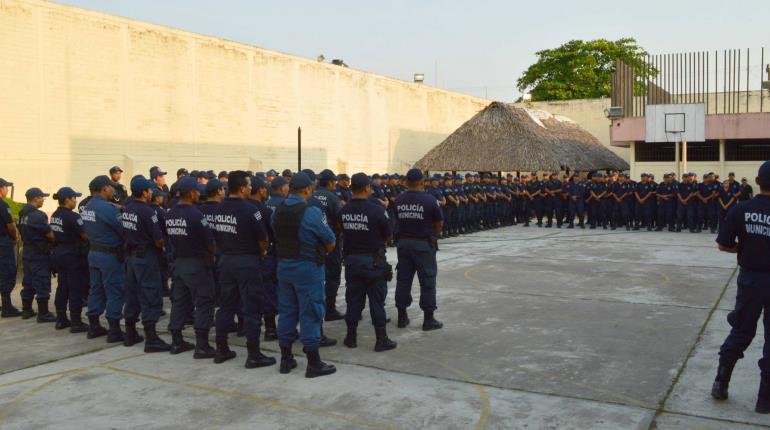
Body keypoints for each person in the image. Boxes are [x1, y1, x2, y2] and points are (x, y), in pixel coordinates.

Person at [712, 161, 770, 414]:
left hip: (750, 280)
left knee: (741, 331)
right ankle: (764, 400)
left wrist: (743, 249)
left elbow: (723, 245)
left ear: (757, 182)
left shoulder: (741, 209)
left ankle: (720, 383)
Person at [273, 172, 337, 377]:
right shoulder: (312, 212)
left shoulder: (278, 210)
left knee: (287, 312)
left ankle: (286, 358)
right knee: (310, 312)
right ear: (308, 189)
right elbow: (330, 241)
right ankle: (313, 363)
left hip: (284, 267)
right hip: (307, 268)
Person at [212, 171, 274, 368]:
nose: (250, 188)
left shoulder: (218, 209)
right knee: (252, 307)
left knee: (226, 306)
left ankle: (221, 349)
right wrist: (262, 252)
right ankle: (253, 354)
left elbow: (215, 237)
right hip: (247, 262)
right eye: (248, 186)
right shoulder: (250, 210)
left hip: (226, 261)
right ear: (241, 188)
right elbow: (263, 239)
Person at [340, 173, 397, 352]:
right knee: (376, 302)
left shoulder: (344, 210)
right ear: (366, 188)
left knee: (353, 301)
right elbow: (388, 235)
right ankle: (381, 339)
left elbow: (339, 229)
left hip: (352, 261)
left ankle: (351, 337)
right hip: (373, 262)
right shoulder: (376, 210)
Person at [165, 176, 217, 358]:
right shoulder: (196, 215)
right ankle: (202, 345)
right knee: (204, 301)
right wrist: (213, 254)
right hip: (196, 263)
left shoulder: (170, 213)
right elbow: (209, 242)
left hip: (178, 262)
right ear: (192, 193)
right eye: (197, 192)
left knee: (180, 301)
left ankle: (176, 340)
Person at [122, 175, 169, 352]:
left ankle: (130, 332)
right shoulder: (148, 212)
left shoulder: (128, 208)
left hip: (132, 256)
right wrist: (163, 247)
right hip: (146, 256)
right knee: (150, 294)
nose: (151, 193)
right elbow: (158, 240)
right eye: (149, 190)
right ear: (144, 192)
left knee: (132, 294)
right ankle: (151, 338)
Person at [394, 168, 444, 331]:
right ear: (422, 182)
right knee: (428, 281)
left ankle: (402, 317)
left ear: (406, 182)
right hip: (423, 245)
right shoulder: (430, 200)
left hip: (404, 243)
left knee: (403, 280)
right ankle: (428, 320)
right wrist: (433, 237)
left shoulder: (399, 200)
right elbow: (438, 222)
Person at [81, 175, 124, 340]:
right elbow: (122, 230)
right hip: (109, 255)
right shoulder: (107, 209)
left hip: (94, 253)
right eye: (111, 187)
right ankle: (114, 329)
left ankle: (94, 325)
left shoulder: (88, 206)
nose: (113, 189)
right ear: (105, 189)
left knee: (96, 289)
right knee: (114, 290)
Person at [49, 187, 90, 332]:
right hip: (72, 254)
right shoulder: (73, 217)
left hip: (59, 252)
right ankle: (76, 321)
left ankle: (61, 319)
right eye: (74, 198)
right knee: (75, 288)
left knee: (62, 287)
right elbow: (85, 235)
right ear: (67, 199)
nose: (75, 200)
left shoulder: (55, 215)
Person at [18, 188, 56, 322]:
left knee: (28, 282)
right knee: (42, 282)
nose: (43, 200)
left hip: (28, 251)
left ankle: (26, 310)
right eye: (41, 198)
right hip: (39, 253)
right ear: (35, 199)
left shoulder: (23, 213)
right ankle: (43, 313)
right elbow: (50, 235)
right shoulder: (38, 215)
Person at [312, 169, 344, 321]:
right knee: (332, 275)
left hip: (312, 242)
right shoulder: (332, 197)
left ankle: (317, 307)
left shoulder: (311, 195)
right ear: (330, 182)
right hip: (329, 241)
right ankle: (330, 309)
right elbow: (339, 220)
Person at [0, 178, 21, 317]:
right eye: (6, 187)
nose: (7, 190)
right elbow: (10, 226)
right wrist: (14, 238)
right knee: (7, 271)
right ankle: (7, 307)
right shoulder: (2, 205)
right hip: (3, 242)